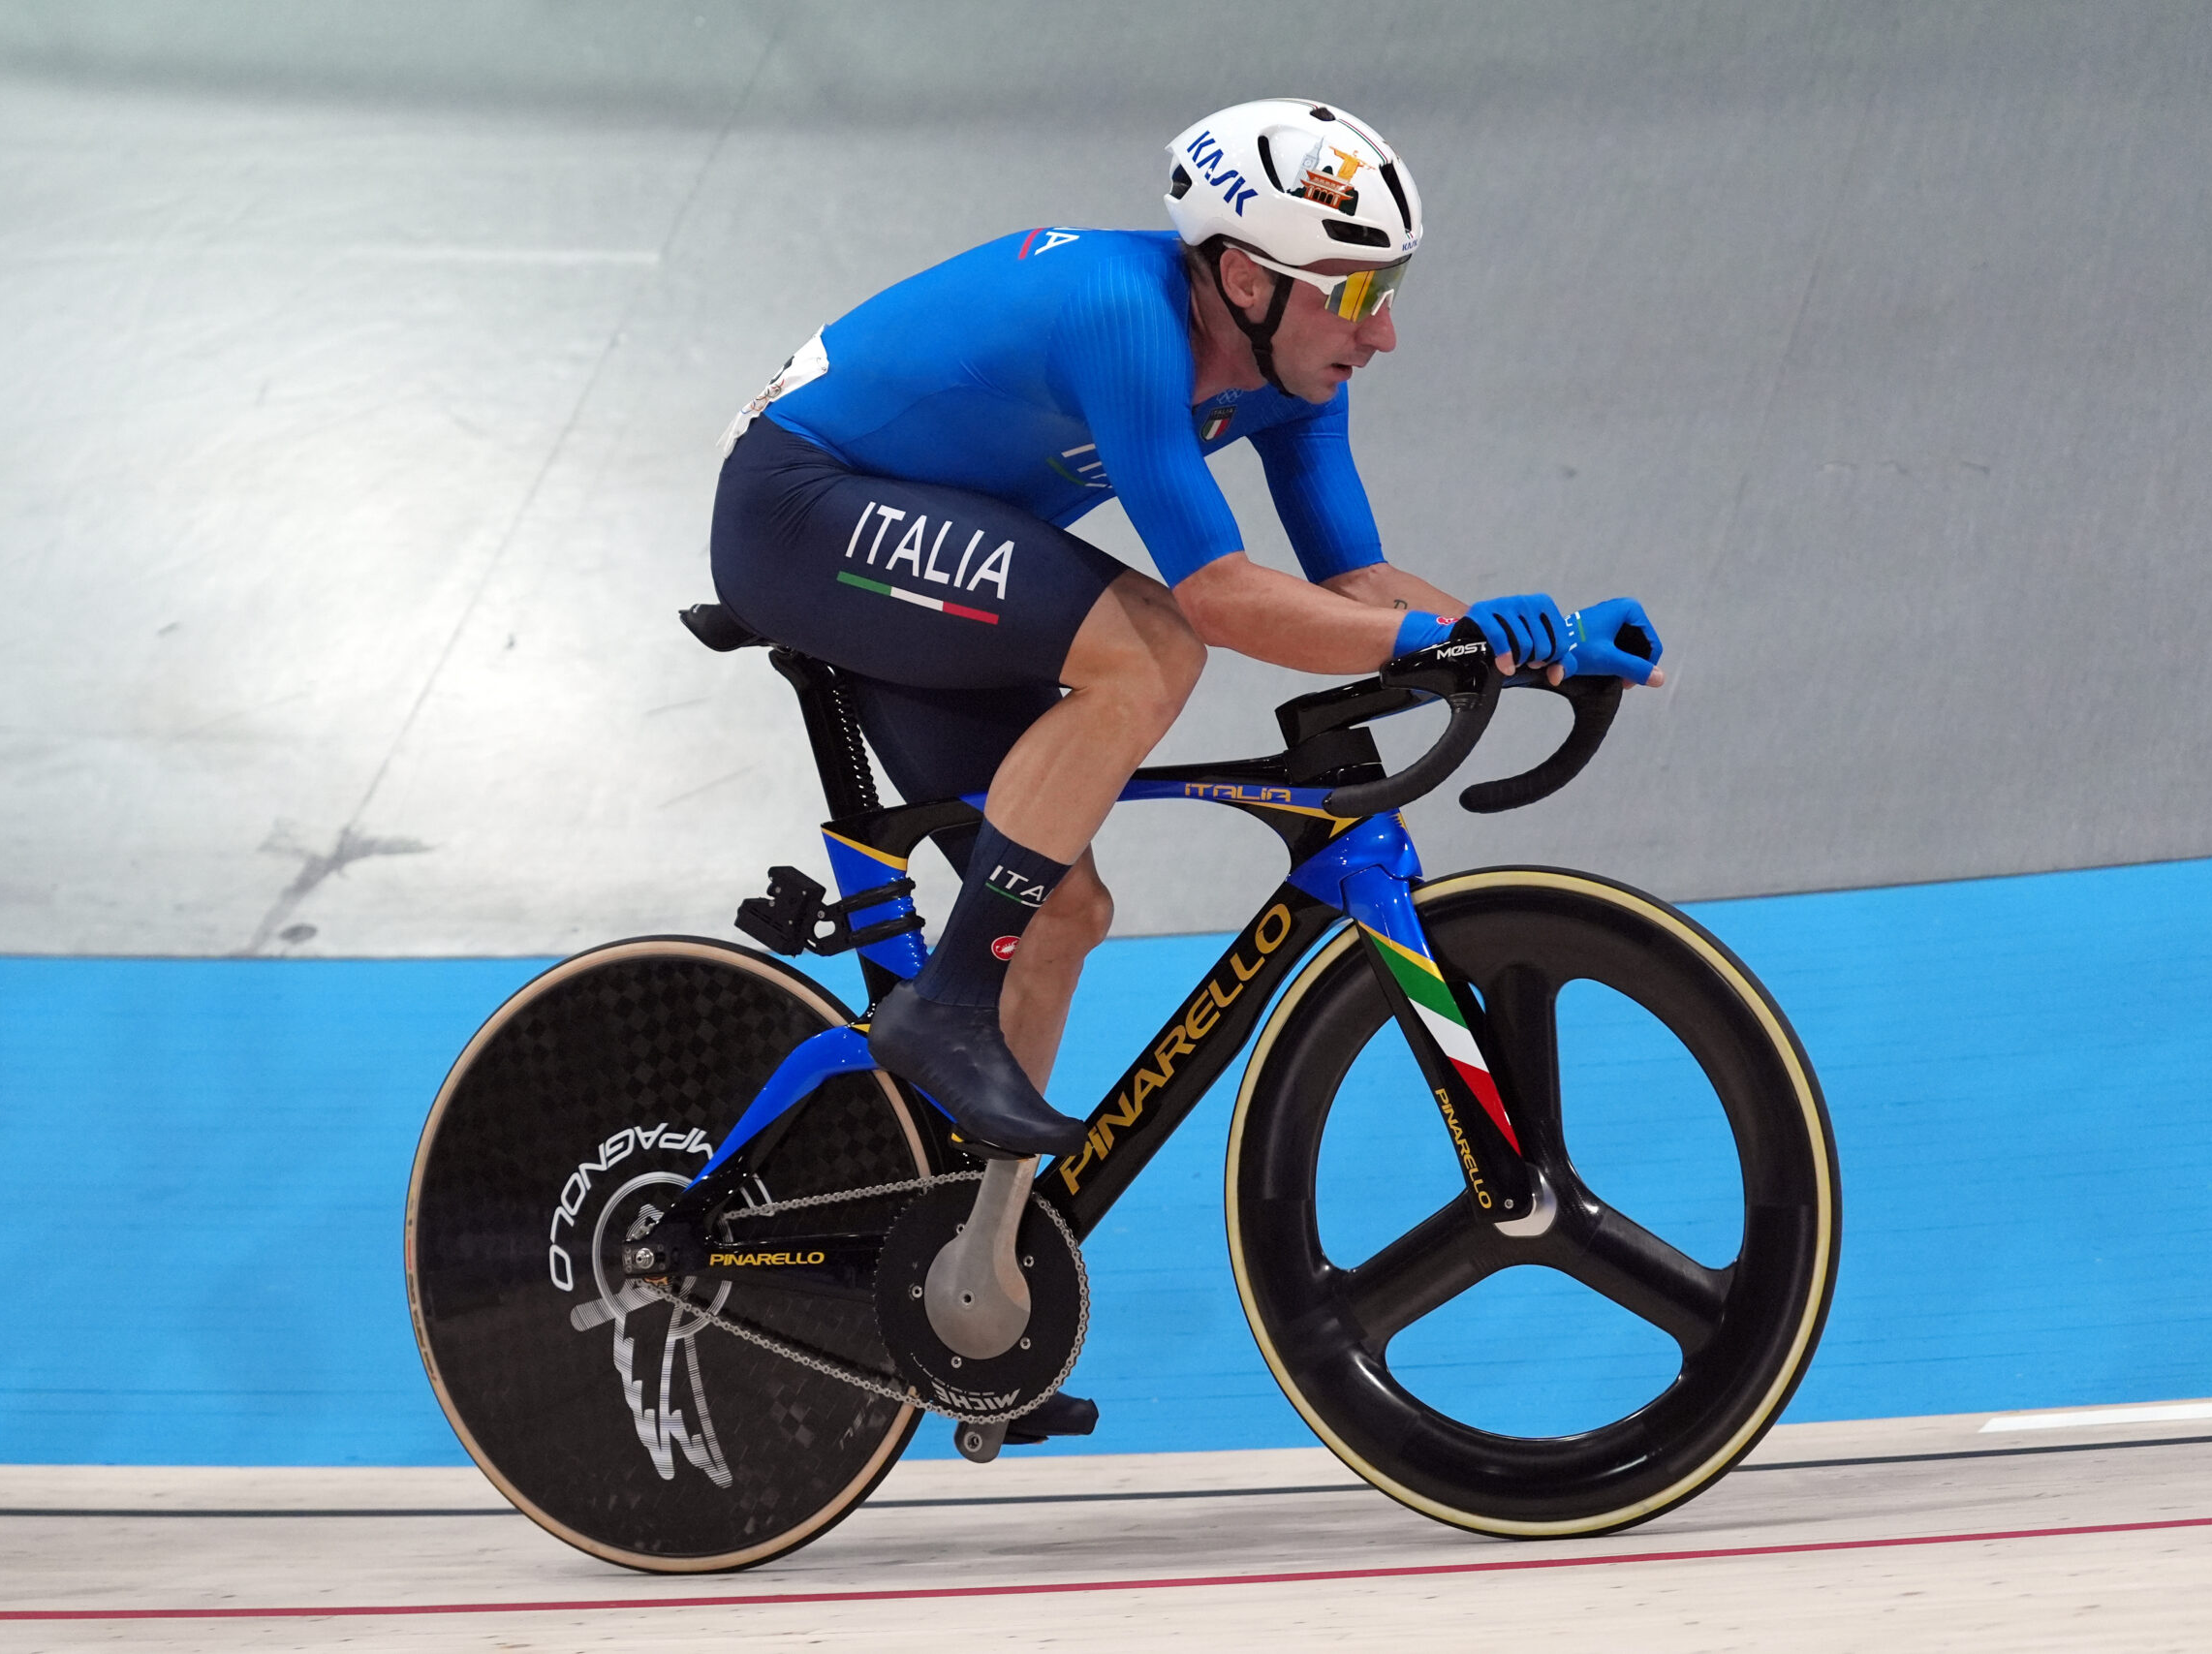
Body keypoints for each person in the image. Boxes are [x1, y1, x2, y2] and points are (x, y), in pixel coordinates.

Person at [710, 98, 1663, 1170]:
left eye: (1390, 289)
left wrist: (1527, 641)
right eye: (1354, 293)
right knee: (1154, 644)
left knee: (1061, 913)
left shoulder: (1292, 375)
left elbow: (1352, 582)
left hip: (932, 565)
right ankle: (948, 1006)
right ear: (1246, 280)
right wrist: (1444, 642)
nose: (1383, 331)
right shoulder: (1122, 313)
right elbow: (1217, 597)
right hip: (798, 515)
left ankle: (967, 1256)